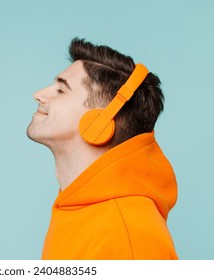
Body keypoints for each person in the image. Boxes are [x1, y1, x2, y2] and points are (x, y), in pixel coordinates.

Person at [26, 38, 178, 260]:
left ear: (98, 123)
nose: (38, 94)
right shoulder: (75, 207)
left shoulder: (126, 231)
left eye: (61, 90)